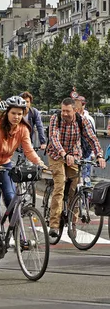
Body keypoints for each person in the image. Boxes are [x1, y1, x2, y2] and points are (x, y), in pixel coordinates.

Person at [0, 96, 46, 255]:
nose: (16, 117)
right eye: (13, 113)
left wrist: (40, 163)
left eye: (20, 114)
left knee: (11, 199)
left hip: (6, 163)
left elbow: (28, 150)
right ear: (7, 112)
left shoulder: (23, 129)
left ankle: (12, 236)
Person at [46, 97, 105, 238]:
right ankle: (54, 224)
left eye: (67, 111)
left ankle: (73, 223)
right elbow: (53, 138)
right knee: (59, 186)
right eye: (63, 110)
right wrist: (63, 154)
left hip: (74, 154)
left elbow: (92, 138)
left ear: (75, 110)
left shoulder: (81, 121)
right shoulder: (56, 118)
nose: (64, 113)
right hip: (56, 154)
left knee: (75, 189)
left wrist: (99, 155)